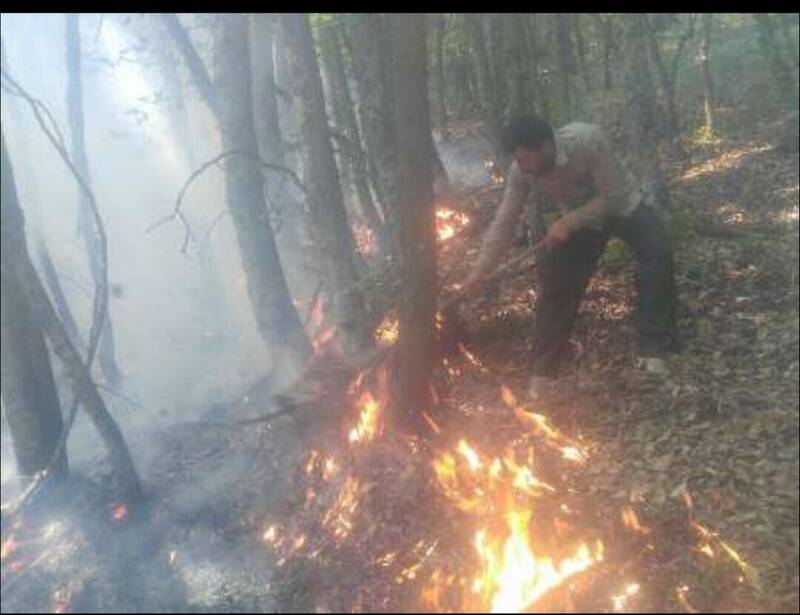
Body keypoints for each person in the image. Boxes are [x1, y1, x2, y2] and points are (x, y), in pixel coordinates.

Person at [459, 115, 677, 400]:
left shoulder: (588, 141)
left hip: (623, 206)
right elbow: (504, 221)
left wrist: (569, 222)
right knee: (557, 287)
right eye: (517, 160)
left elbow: (612, 196)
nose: (522, 166)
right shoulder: (520, 171)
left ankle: (655, 350)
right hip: (581, 220)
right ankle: (544, 372)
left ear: (546, 146)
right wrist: (480, 271)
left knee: (657, 254)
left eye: (526, 159)